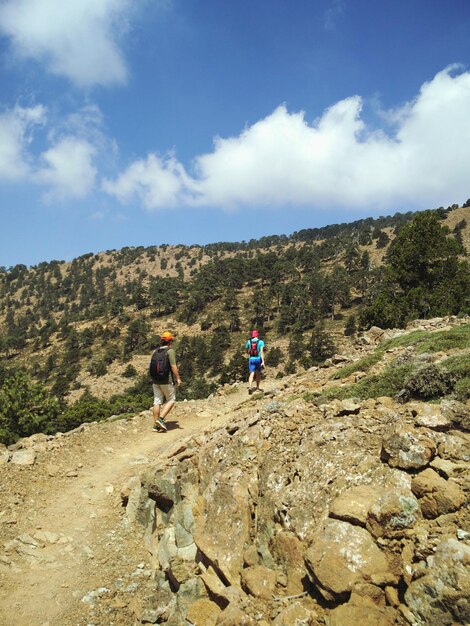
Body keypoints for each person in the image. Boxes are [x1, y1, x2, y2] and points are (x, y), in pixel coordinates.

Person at [151, 331, 182, 432]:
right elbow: (173, 366)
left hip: (155, 381)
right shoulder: (170, 351)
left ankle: (155, 425)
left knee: (157, 402)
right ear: (170, 341)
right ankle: (161, 419)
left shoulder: (156, 351)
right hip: (166, 380)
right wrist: (178, 378)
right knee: (171, 399)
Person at [245, 329, 265, 394]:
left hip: (251, 359)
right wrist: (263, 361)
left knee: (251, 373)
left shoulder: (249, 342)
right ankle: (257, 387)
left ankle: (250, 387)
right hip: (258, 359)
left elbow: (246, 350)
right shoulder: (261, 342)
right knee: (258, 374)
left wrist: (248, 354)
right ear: (257, 335)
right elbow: (261, 352)